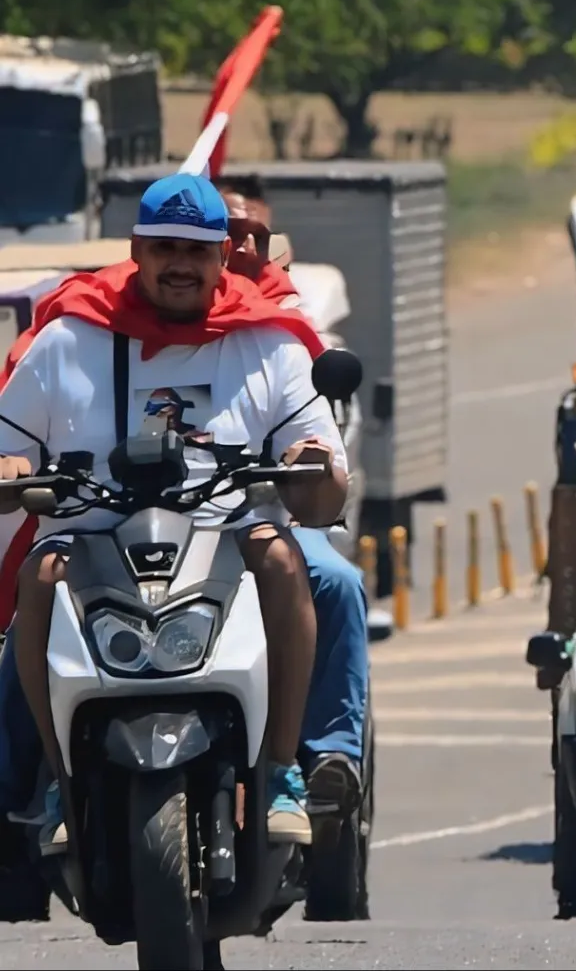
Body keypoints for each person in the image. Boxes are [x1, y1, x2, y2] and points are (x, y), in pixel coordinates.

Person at [0, 172, 345, 858]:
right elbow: (11, 446)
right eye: (164, 248)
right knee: (38, 580)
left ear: (223, 256)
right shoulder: (70, 337)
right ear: (137, 250)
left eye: (196, 250)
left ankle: (279, 773)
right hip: (92, 536)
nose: (180, 265)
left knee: (282, 557)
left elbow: (323, 479)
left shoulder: (270, 342)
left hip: (223, 536)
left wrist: (311, 463)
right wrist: (14, 473)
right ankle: (58, 777)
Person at [217, 192, 372, 818]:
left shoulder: (286, 336)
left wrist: (306, 464)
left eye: (256, 235)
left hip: (264, 517)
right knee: (47, 590)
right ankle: (31, 785)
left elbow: (327, 446)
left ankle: (324, 756)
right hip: (155, 525)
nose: (242, 247)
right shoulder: (123, 334)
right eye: (229, 233)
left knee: (335, 579)